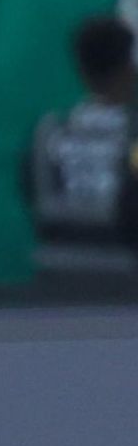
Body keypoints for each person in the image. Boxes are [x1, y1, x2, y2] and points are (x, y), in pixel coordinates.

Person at [25, 17, 138, 266]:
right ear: (129, 68)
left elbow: (31, 192)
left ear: (81, 68)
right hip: (125, 276)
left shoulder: (49, 133)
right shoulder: (133, 137)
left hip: (56, 266)